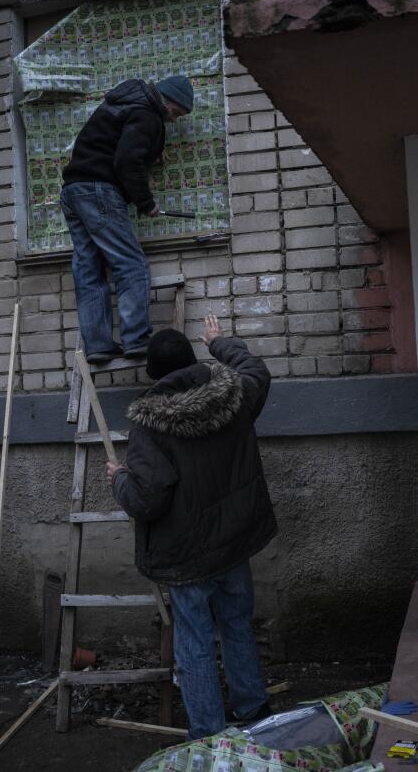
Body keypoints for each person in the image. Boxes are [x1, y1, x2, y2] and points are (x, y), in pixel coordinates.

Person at [106, 314, 277, 738]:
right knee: (237, 625)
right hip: (233, 542)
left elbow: (147, 498)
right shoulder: (233, 394)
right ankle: (253, 714)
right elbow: (256, 371)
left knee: (195, 644)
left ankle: (210, 735)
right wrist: (220, 344)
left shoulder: (150, 424)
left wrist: (119, 478)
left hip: (187, 556)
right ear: (192, 358)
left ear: (153, 375)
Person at [61, 75, 194, 364]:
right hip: (98, 190)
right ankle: (136, 339)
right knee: (130, 264)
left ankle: (97, 345)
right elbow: (126, 160)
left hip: (73, 191)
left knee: (89, 269)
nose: (173, 120)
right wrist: (146, 203)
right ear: (167, 100)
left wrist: (148, 153)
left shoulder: (124, 104)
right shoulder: (148, 113)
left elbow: (115, 146)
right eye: (176, 113)